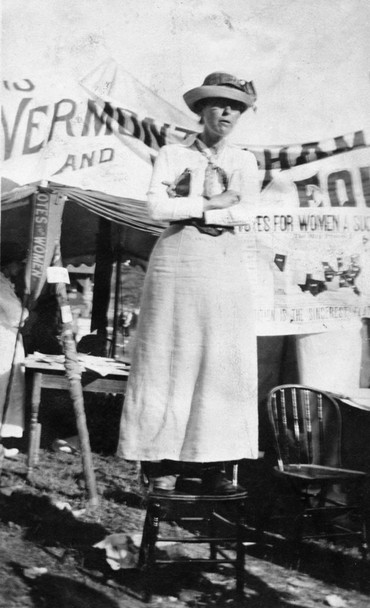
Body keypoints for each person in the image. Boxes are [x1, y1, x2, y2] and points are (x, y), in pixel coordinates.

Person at [117, 72, 260, 493]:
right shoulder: (173, 155)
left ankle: (216, 461)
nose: (227, 112)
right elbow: (156, 207)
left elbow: (247, 211)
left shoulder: (244, 161)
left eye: (235, 106)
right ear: (201, 110)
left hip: (222, 260)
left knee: (223, 354)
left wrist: (201, 211)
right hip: (177, 259)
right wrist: (210, 203)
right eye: (218, 104)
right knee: (167, 349)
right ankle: (159, 459)